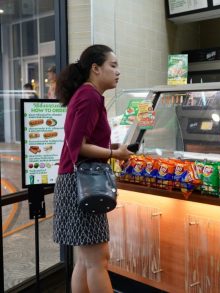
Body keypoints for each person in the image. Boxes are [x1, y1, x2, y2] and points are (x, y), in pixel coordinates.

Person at [53, 44, 133, 293]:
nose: (118, 71)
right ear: (95, 69)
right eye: (113, 65)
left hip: (73, 182)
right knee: (98, 260)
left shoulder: (87, 94)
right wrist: (114, 153)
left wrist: (114, 147)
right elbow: (78, 146)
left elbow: (83, 142)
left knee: (87, 260)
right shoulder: (89, 96)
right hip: (82, 185)